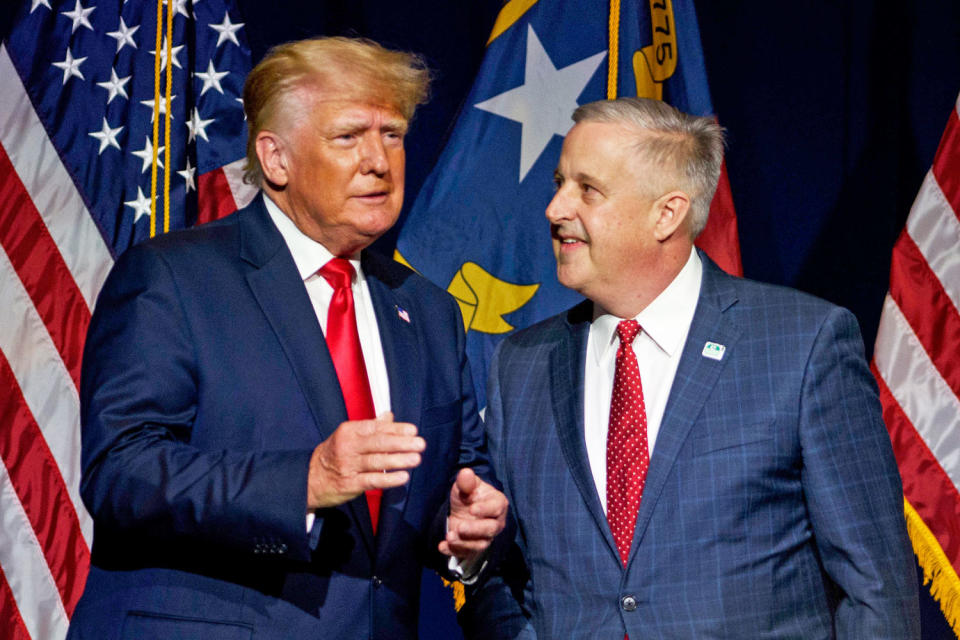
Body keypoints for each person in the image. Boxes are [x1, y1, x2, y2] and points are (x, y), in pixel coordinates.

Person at [68, 37, 507, 640]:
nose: (379, 161)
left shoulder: (428, 310)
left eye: (393, 134)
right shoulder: (174, 278)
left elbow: (452, 479)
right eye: (349, 137)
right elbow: (122, 472)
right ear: (275, 159)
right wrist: (303, 481)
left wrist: (467, 524)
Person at [461, 97, 920, 638]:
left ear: (667, 213)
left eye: (587, 189)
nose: (555, 208)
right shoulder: (522, 364)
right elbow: (500, 575)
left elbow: (876, 589)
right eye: (560, 182)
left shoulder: (802, 344)